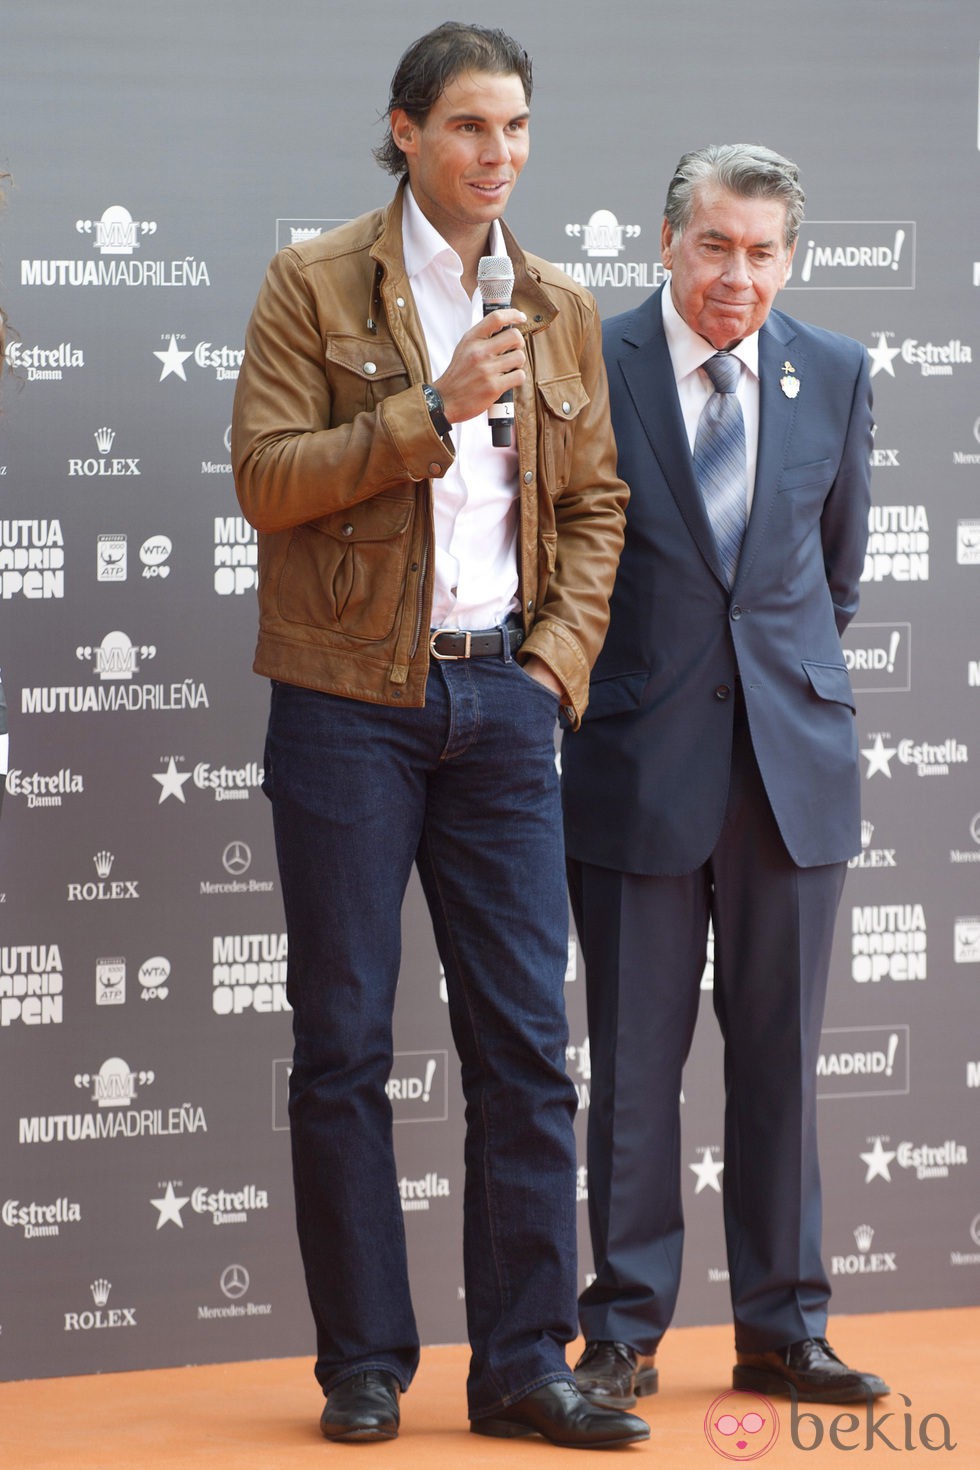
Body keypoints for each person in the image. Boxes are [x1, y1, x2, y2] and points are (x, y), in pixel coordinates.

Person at [232, 22, 647, 1451]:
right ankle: (362, 1364)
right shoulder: (314, 280)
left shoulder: (559, 302)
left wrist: (551, 668)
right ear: (406, 131)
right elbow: (267, 479)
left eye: (519, 128)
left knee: (529, 1047)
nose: (501, 155)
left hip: (502, 706)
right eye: (472, 126)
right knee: (344, 1041)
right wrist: (433, 409)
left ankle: (528, 1363)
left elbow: (595, 507)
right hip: (348, 702)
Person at [562, 143, 890, 1409]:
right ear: (665, 241)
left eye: (761, 253)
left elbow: (832, 573)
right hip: (635, 766)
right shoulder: (591, 360)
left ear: (787, 258)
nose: (735, 277)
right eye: (713, 246)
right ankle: (623, 1333)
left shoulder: (838, 373)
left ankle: (782, 1330)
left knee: (779, 1064)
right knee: (633, 1069)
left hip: (788, 775)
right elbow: (558, 560)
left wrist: (768, 686)